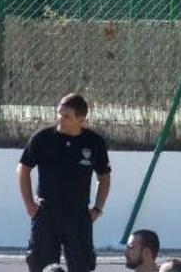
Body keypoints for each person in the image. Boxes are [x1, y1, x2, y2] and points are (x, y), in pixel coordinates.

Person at [18, 93, 111, 272]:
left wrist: (97, 209)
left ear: (81, 120)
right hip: (47, 214)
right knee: (40, 266)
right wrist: (30, 205)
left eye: (66, 116)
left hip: (78, 216)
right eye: (59, 113)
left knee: (82, 266)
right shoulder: (43, 139)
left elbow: (104, 177)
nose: (60, 118)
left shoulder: (94, 142)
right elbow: (23, 169)